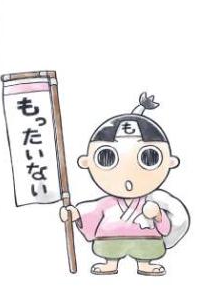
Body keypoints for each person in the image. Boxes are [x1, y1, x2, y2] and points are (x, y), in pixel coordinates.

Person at [59, 93, 189, 276]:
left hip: (146, 241)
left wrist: (158, 215)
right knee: (108, 248)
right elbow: (92, 212)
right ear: (87, 162)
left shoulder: (153, 201)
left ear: (170, 162)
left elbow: (164, 227)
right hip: (110, 240)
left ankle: (145, 264)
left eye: (149, 158)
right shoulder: (106, 203)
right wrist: (74, 214)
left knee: (148, 249)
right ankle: (110, 263)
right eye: (107, 158)